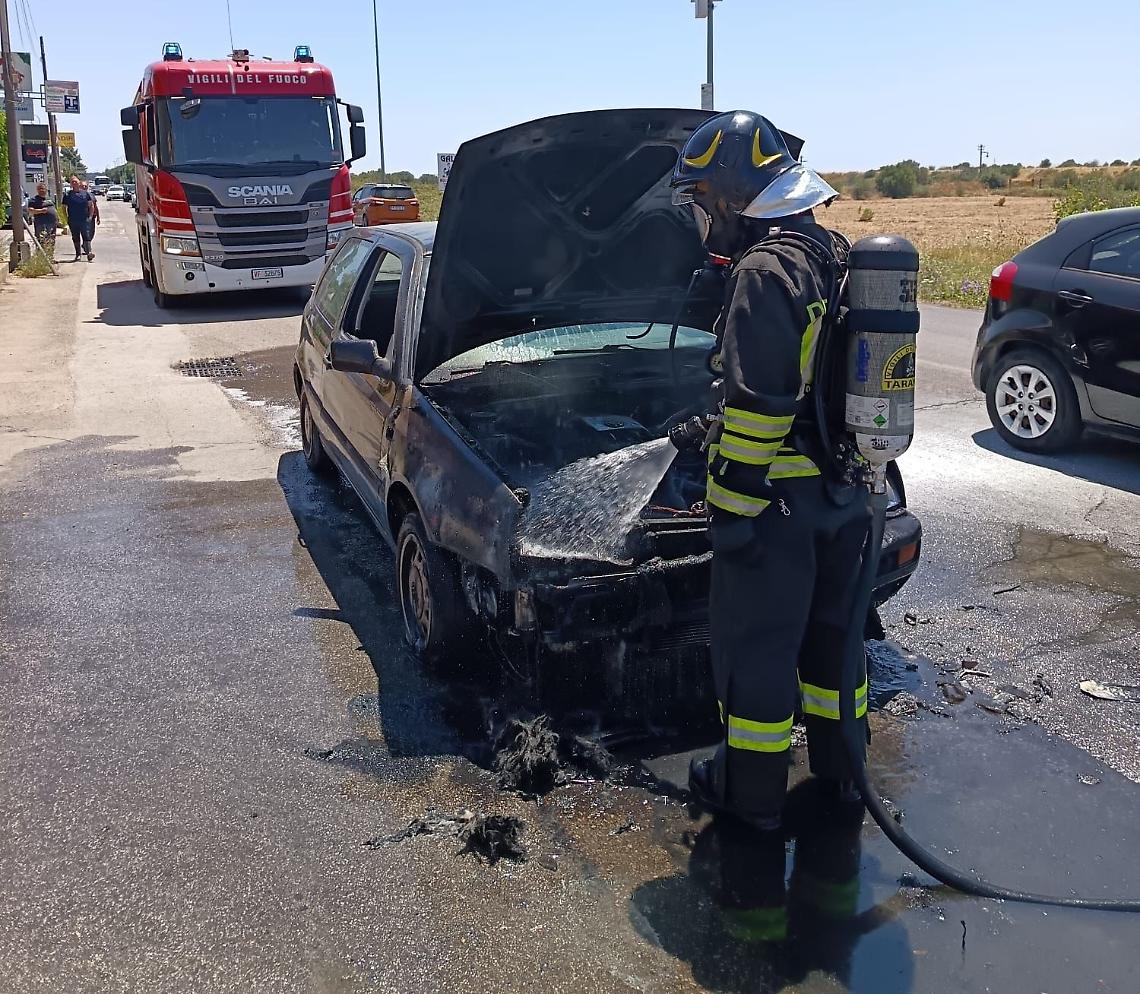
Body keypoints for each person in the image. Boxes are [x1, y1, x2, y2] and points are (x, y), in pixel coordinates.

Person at [668, 110, 868, 830]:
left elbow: (760, 408)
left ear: (728, 195)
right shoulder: (829, 251)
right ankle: (845, 779)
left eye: (699, 201)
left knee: (756, 657)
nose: (698, 217)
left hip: (777, 508)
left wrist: (730, 509)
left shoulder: (762, 270)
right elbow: (813, 382)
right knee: (835, 650)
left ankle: (748, 800)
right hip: (845, 496)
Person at [61, 176, 95, 262]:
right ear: (70, 184)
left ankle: (89, 253)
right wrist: (66, 218)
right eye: (72, 182)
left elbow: (91, 206)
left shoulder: (85, 194)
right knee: (75, 237)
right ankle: (78, 255)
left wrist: (90, 217)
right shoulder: (67, 195)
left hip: (84, 219)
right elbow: (63, 208)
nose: (74, 183)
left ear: (79, 183)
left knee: (86, 237)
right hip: (73, 220)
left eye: (75, 181)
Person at [26, 183, 58, 252]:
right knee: (42, 241)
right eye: (40, 189)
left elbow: (54, 209)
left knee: (51, 240)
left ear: (46, 190)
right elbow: (30, 210)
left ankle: (50, 258)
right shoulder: (33, 200)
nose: (42, 190)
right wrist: (41, 211)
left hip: (52, 223)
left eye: (43, 189)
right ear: (37, 190)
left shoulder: (49, 199)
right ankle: (42, 257)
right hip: (41, 224)